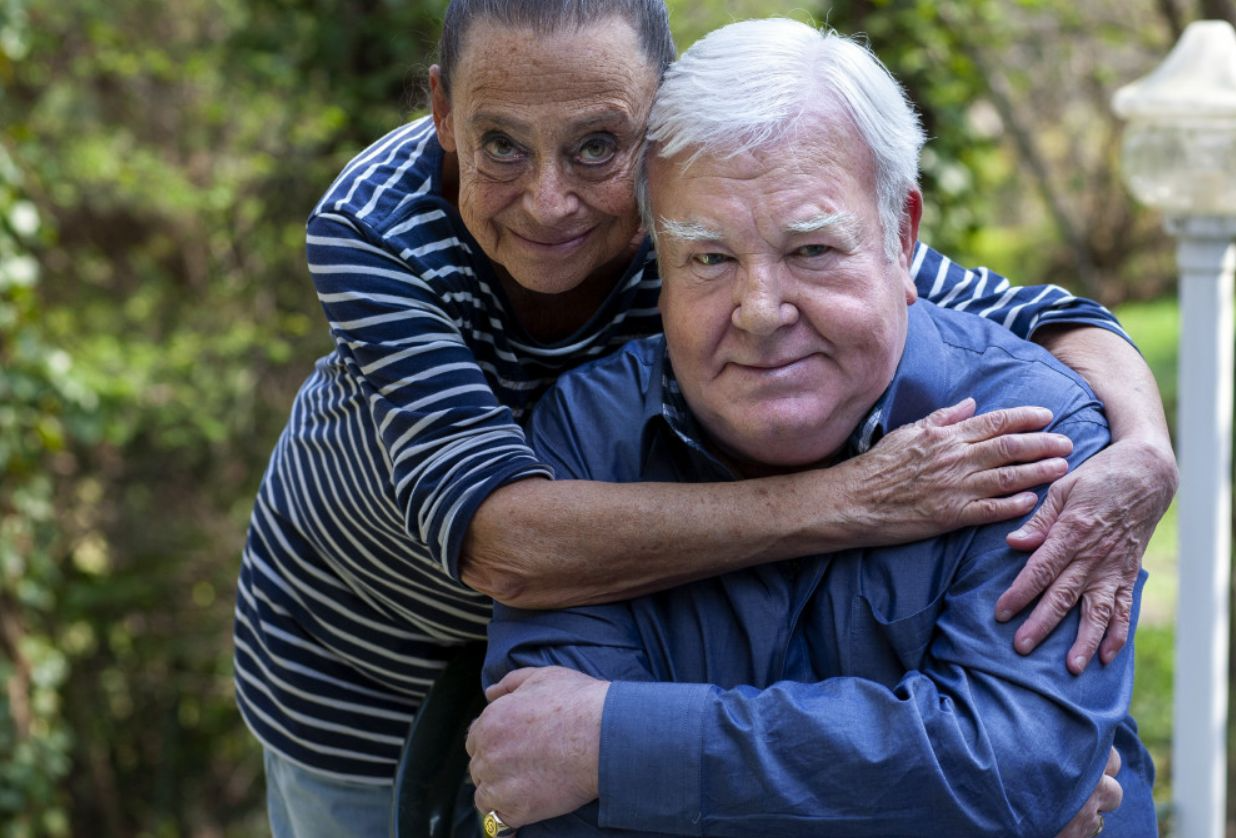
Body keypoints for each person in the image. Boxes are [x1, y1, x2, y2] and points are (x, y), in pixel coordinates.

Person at [233, 1, 1176, 834]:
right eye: (502, 145)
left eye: (595, 146)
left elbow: (1021, 310)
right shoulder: (376, 231)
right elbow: (506, 552)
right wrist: (856, 502)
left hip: (581, 588)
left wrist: (1140, 447)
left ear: (654, 123)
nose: (549, 199)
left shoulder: (733, 191)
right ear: (444, 111)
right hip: (358, 649)